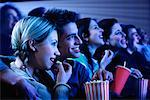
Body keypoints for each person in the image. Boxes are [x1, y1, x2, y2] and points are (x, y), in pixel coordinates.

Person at [10, 16, 72, 99]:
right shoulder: (22, 86)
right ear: (32, 44)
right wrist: (61, 85)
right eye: (53, 43)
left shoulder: (44, 73)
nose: (58, 52)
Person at [44, 8, 91, 99]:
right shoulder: (38, 71)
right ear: (54, 39)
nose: (79, 41)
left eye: (77, 35)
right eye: (71, 37)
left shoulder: (78, 69)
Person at [98, 18, 143, 98]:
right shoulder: (102, 60)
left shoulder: (121, 57)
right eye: (118, 33)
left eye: (122, 31)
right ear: (106, 40)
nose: (124, 35)